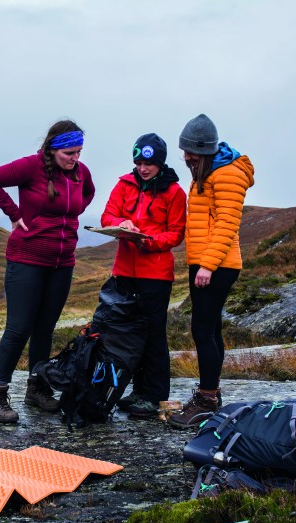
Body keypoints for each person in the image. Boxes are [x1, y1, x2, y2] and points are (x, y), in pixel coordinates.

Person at [0, 120, 95, 423]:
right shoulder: (31, 167)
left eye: (79, 152)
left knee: (45, 328)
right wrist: (14, 214)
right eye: (69, 153)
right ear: (54, 149)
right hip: (26, 259)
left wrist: (73, 213)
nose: (75, 159)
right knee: (19, 329)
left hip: (62, 263)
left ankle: (37, 388)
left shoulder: (81, 174)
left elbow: (87, 196)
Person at [169, 114, 255, 429]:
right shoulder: (207, 172)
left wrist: (207, 264)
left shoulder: (228, 174)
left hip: (216, 265)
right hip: (206, 262)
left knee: (203, 330)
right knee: (210, 329)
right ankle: (211, 394)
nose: (186, 158)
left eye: (190, 152)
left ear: (203, 150)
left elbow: (227, 224)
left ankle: (206, 401)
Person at [100, 133, 186, 419]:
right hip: (124, 271)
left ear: (159, 162)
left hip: (156, 275)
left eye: (148, 162)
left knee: (153, 336)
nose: (142, 167)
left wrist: (148, 241)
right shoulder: (124, 184)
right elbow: (107, 216)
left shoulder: (174, 192)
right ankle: (137, 391)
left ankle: (154, 395)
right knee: (127, 335)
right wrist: (120, 224)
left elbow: (175, 233)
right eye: (138, 161)